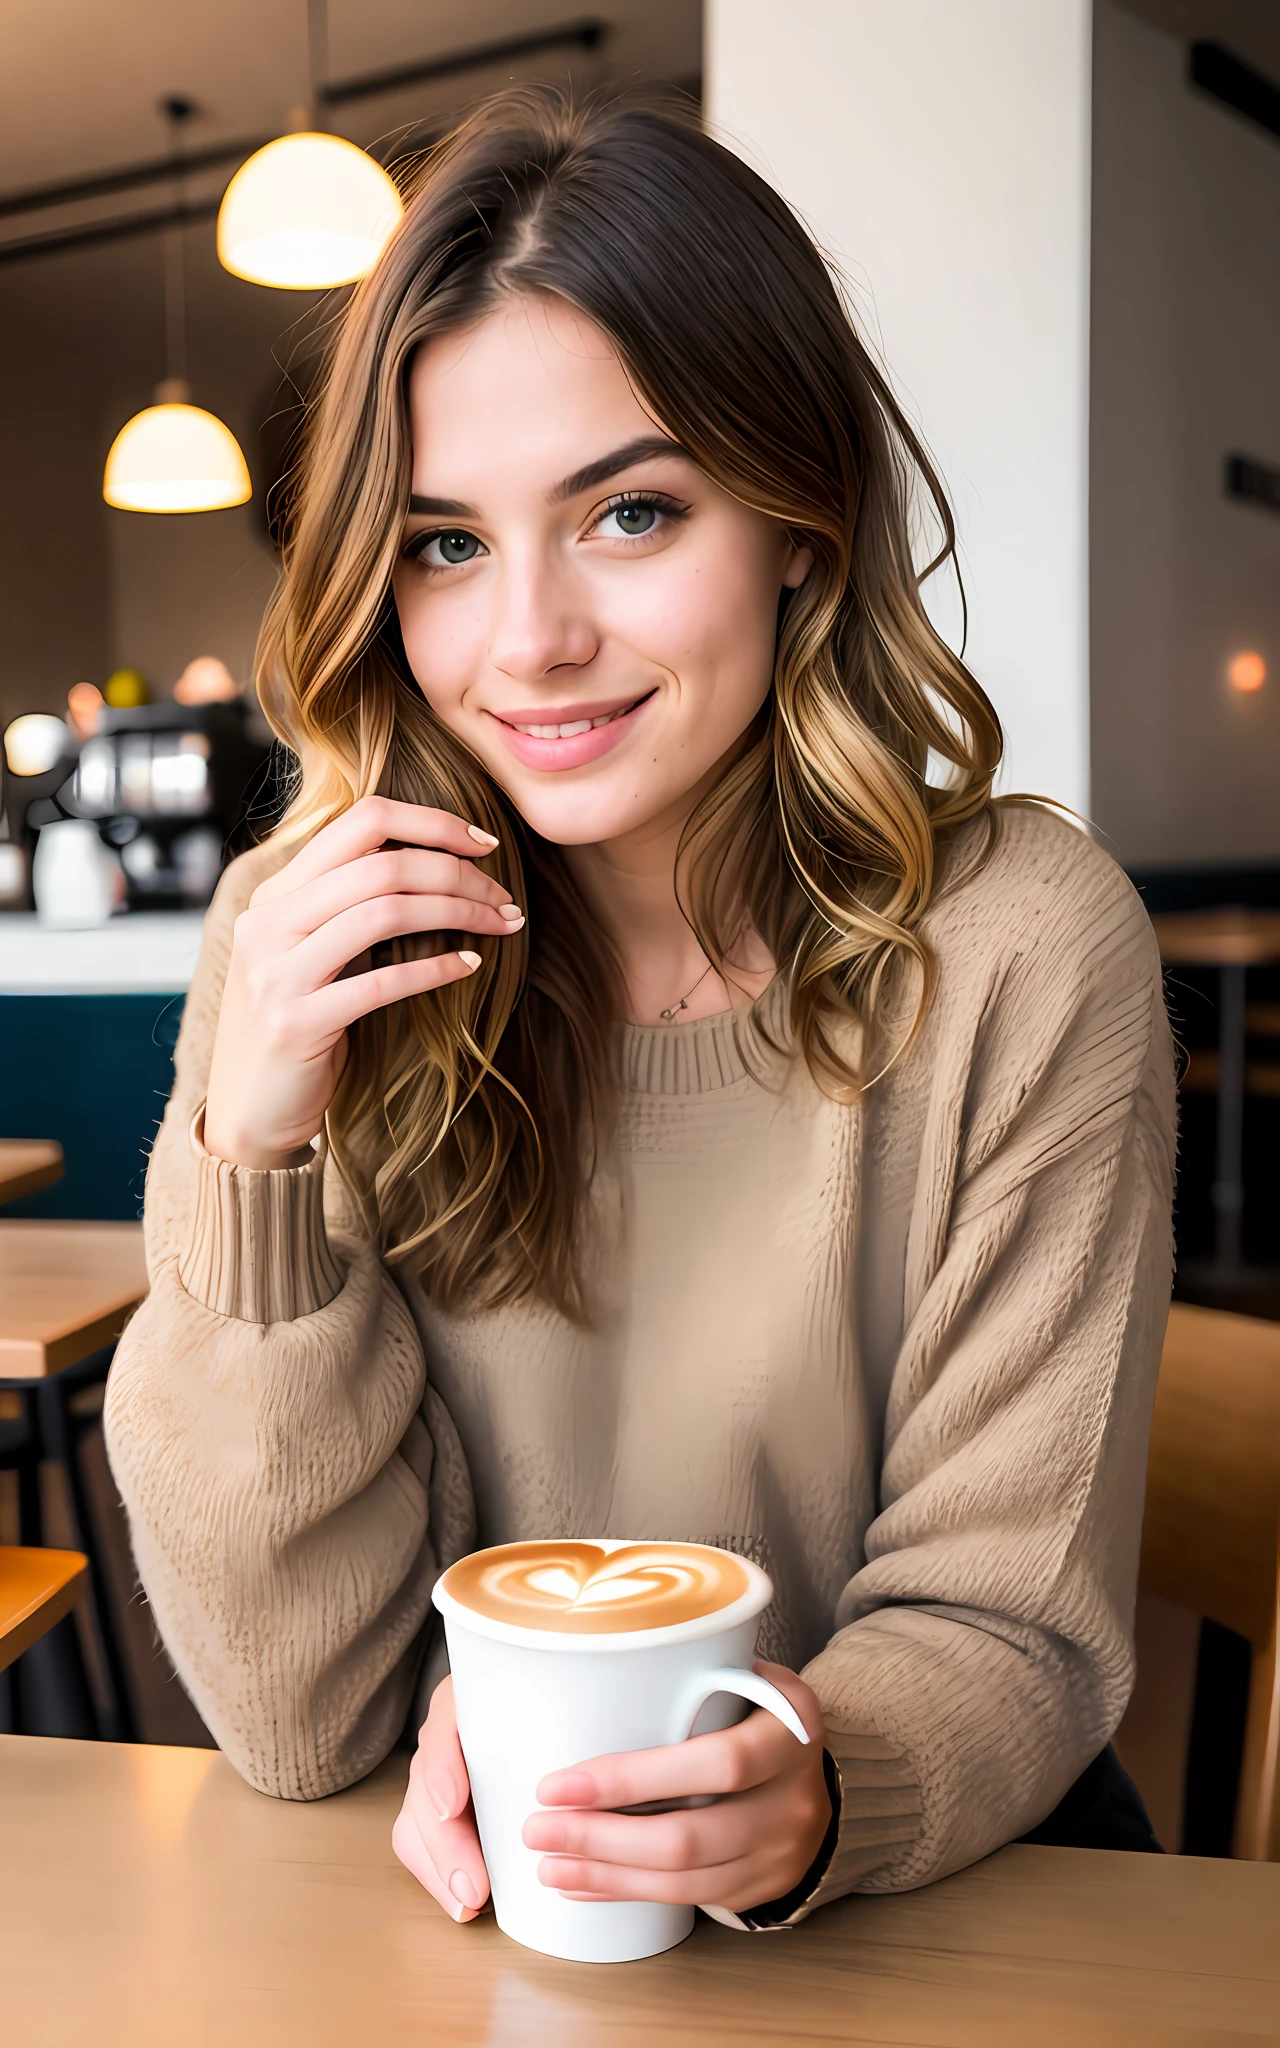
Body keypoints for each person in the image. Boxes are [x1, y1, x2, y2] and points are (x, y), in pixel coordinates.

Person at [105, 92, 1175, 1931]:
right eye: (445, 543)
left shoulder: (1023, 951)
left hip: (943, 1920)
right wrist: (256, 1151)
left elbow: (1013, 1615)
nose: (528, 639)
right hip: (492, 1928)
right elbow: (301, 1723)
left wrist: (817, 1776)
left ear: (796, 523)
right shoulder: (311, 950)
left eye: (626, 511)